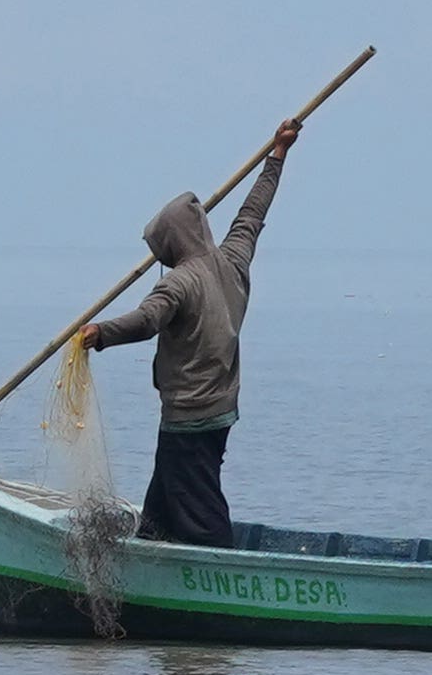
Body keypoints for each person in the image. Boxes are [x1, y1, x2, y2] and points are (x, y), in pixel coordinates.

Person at [69, 116, 292, 547]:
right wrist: (278, 154)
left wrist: (100, 333)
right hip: (221, 409)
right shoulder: (234, 259)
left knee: (199, 507)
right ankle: (151, 544)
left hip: (191, 413)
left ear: (171, 243)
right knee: (164, 500)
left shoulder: (178, 282)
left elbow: (147, 320)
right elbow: (252, 214)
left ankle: (224, 577)